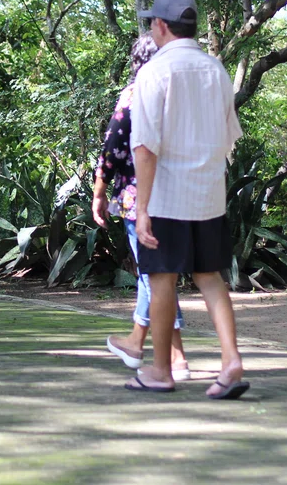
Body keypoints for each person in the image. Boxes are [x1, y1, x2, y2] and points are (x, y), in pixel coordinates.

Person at [127, 0, 249, 399]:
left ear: (161, 26)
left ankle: (161, 371)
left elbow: (145, 147)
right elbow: (229, 137)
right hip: (208, 194)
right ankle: (231, 359)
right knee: (209, 276)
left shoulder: (153, 73)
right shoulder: (216, 69)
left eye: (151, 23)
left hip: (167, 195)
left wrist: (141, 208)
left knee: (161, 278)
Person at [92, 35, 190, 382]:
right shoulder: (180, 98)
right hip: (180, 196)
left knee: (152, 275)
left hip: (142, 199)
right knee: (161, 276)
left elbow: (114, 147)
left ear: (136, 62)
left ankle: (137, 342)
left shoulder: (135, 94)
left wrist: (99, 193)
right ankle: (176, 356)